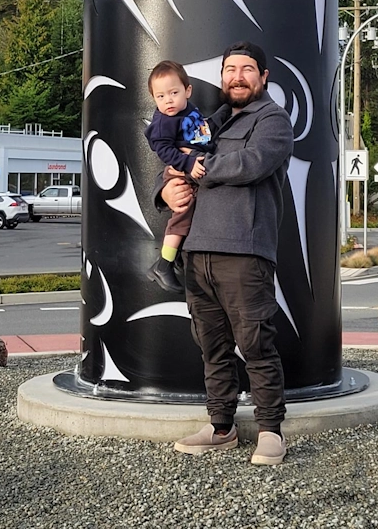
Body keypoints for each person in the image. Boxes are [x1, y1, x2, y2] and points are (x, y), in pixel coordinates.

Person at [155, 41, 294, 466]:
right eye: (230, 69)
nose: (237, 76)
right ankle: (221, 427)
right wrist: (165, 190)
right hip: (197, 252)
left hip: (244, 250)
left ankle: (271, 430)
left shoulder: (272, 120)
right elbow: (176, 163)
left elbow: (250, 164)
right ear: (221, 78)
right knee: (212, 345)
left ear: (263, 77)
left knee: (255, 342)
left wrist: (202, 168)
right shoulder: (209, 122)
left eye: (247, 69)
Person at [145, 60, 213, 293]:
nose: (168, 101)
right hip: (181, 170)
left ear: (188, 90)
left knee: (192, 213)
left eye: (174, 93)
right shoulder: (164, 121)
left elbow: (202, 132)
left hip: (191, 165)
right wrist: (188, 162)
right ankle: (164, 263)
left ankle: (174, 258)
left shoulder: (189, 111)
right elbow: (163, 149)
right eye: (160, 96)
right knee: (182, 213)